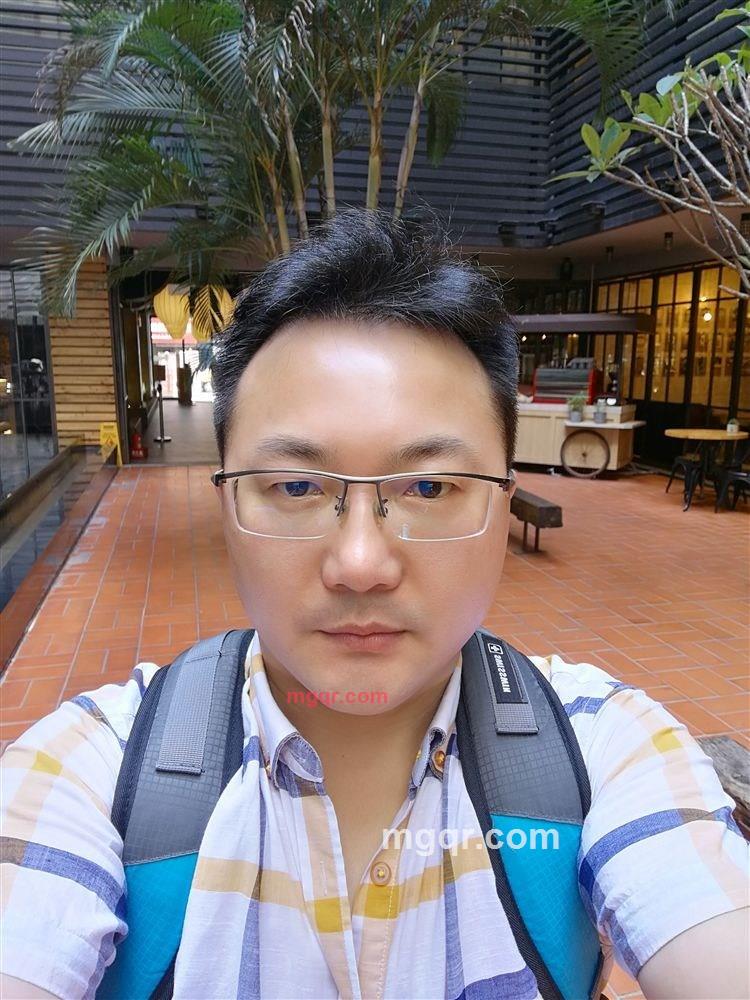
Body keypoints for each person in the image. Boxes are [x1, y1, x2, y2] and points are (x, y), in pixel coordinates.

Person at [1, 210, 748, 999]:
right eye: (296, 486)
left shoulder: (601, 748)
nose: (360, 564)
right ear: (226, 506)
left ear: (503, 505)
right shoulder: (100, 770)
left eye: (428, 486)